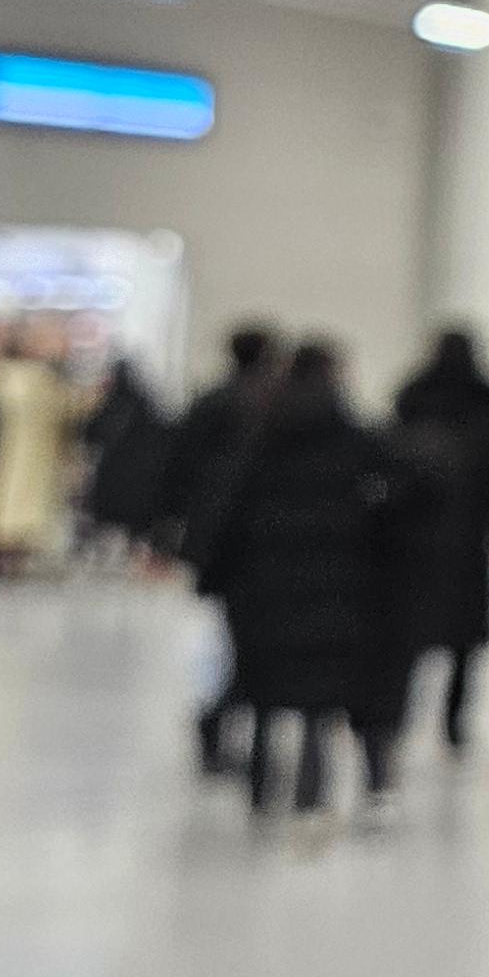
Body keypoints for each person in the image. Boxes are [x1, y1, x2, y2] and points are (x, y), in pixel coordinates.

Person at [201, 340, 379, 819]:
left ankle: (261, 783)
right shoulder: (352, 440)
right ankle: (311, 786)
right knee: (319, 695)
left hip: (264, 582)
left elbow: (229, 512)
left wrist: (214, 574)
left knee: (262, 686)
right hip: (333, 583)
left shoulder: (260, 435)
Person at [386, 328, 489, 754]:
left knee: (412, 632)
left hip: (417, 536)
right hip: (469, 537)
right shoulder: (488, 403)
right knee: (465, 641)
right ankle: (455, 721)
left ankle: (401, 715)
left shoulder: (413, 399)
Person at [159, 327, 281, 776]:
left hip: (214, 541)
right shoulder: (271, 406)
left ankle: (217, 722)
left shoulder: (211, 402)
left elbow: (177, 467)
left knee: (226, 639)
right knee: (252, 643)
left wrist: (173, 525)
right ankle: (227, 721)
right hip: (258, 543)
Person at [0, 322, 74, 564]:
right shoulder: (43, 379)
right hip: (35, 456)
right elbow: (66, 410)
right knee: (24, 503)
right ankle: (14, 551)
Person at [76, 356, 173, 552]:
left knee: (106, 517)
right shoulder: (145, 404)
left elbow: (91, 433)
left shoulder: (110, 404)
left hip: (113, 473)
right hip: (139, 477)